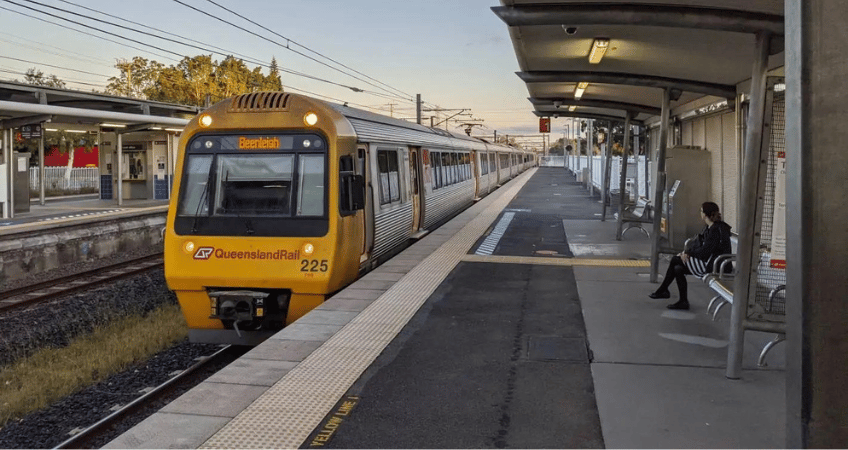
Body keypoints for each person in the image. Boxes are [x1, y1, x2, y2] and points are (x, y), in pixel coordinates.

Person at [648, 201, 733, 310]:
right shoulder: (710, 228)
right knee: (678, 268)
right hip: (711, 261)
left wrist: (687, 253)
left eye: (701, 211)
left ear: (705, 214)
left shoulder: (715, 230)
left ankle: (663, 290)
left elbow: (704, 253)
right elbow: (699, 245)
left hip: (716, 265)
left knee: (675, 260)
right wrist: (685, 253)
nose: (700, 213)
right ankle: (682, 301)